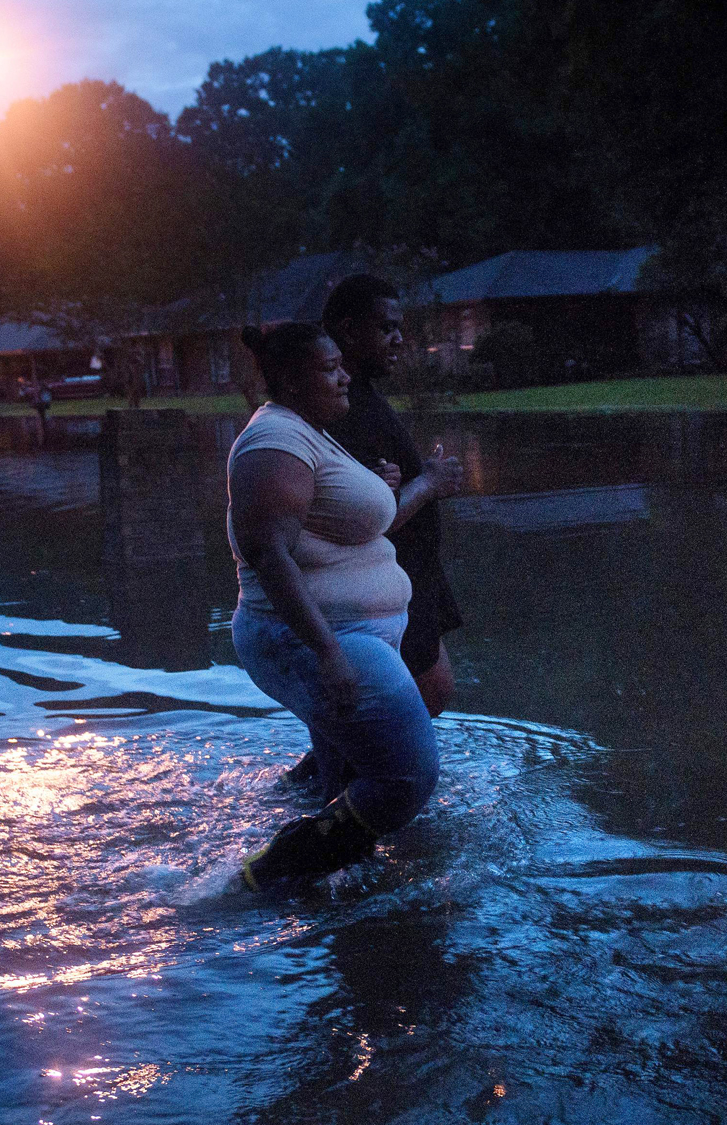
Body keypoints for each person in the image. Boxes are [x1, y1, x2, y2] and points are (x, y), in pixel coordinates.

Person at [226, 323, 442, 889]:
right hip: (323, 638)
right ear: (293, 379)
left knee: (349, 773)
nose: (346, 376)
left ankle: (338, 888)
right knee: (406, 776)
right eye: (330, 368)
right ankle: (267, 875)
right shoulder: (275, 440)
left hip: (354, 633)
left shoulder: (308, 432)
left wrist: (382, 490)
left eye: (343, 363)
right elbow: (267, 552)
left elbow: (335, 521)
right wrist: (327, 651)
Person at [320, 274, 467, 717]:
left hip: (409, 577)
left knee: (411, 700)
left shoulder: (361, 395)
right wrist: (430, 482)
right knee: (421, 697)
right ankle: (337, 783)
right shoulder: (341, 405)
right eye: (386, 328)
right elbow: (364, 515)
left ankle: (325, 780)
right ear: (348, 331)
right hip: (384, 585)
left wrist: (414, 474)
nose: (400, 340)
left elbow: (375, 485)